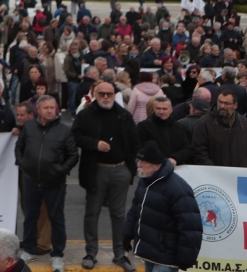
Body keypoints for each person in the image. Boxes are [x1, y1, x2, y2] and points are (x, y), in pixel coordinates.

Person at [72, 81, 138, 272]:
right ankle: (91, 252)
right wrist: (94, 144)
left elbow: (135, 141)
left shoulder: (123, 115)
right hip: (96, 170)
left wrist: (129, 168)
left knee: (118, 214)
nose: (106, 97)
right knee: (92, 213)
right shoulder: (85, 114)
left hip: (120, 170)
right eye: (102, 94)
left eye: (109, 94)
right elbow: (75, 136)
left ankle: (120, 254)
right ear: (95, 93)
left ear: (114, 95)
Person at [16, 95, 77, 271]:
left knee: (56, 219)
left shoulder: (64, 130)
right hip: (31, 181)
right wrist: (23, 164)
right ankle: (29, 250)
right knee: (30, 217)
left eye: (52, 108)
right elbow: (19, 147)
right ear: (38, 110)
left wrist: (60, 170)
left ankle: (57, 254)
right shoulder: (29, 126)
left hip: (54, 184)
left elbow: (73, 155)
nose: (50, 111)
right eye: (46, 108)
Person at [121, 141, 203, 272]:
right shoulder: (145, 180)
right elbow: (136, 209)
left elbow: (190, 227)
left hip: (166, 257)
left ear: (157, 166)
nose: (138, 165)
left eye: (144, 162)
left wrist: (186, 257)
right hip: (149, 252)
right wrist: (127, 233)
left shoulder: (178, 190)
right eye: (138, 160)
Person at [192, 90, 247, 172]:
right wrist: (211, 169)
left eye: (227, 103)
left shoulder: (245, 122)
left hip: (239, 175)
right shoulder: (204, 122)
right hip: (215, 176)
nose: (222, 106)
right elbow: (199, 150)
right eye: (220, 102)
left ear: (235, 105)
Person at [136, 96, 193, 167]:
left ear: (171, 109)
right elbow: (139, 148)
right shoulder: (143, 126)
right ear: (154, 109)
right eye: (158, 108)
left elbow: (187, 149)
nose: (161, 111)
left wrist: (175, 158)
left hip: (175, 167)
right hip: (152, 168)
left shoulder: (179, 127)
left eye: (164, 109)